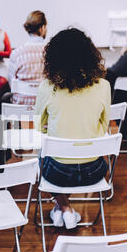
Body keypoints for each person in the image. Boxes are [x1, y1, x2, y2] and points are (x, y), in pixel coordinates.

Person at [35, 28, 111, 229]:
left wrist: (55, 134)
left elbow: (38, 129)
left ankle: (64, 208)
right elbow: (103, 127)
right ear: (89, 55)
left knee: (42, 154)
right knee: (55, 152)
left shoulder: (46, 87)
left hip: (58, 172)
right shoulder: (103, 86)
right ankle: (64, 209)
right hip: (94, 170)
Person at [7, 10, 47, 105]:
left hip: (21, 107)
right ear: (42, 28)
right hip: (44, 105)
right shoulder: (51, 52)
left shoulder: (17, 53)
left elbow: (11, 84)